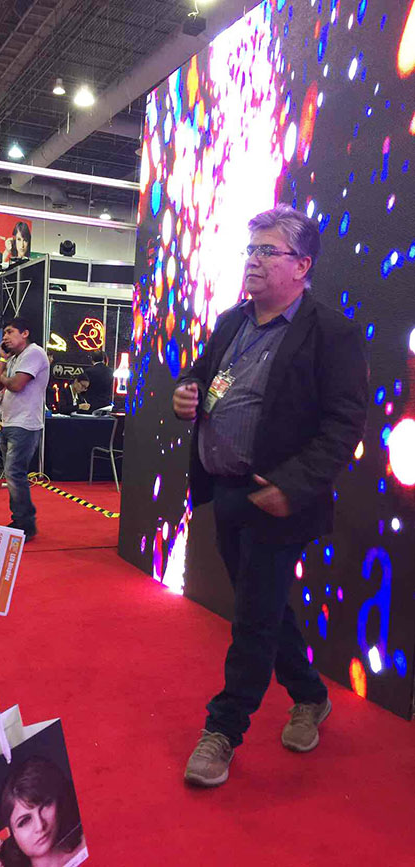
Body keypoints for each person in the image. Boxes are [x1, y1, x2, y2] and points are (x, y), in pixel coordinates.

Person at [173, 204, 368, 788]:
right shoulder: (232, 321)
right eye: (251, 249)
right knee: (265, 607)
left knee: (253, 620)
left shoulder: (330, 332)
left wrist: (293, 485)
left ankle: (223, 730)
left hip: (277, 498)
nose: (253, 261)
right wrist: (187, 392)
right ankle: (310, 695)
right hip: (226, 491)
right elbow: (202, 376)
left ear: (302, 265)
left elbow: (344, 424)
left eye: (268, 251)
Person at [0, 318, 49, 542]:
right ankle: (20, 519)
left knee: (15, 473)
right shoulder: (13, 358)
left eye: (10, 332)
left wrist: (5, 378)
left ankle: (26, 523)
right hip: (9, 422)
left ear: (25, 333)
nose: (5, 336)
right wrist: (3, 361)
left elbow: (16, 385)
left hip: (25, 423)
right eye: (4, 333)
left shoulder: (34, 353)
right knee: (13, 474)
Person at [0, 757, 86, 867]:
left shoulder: (87, 845)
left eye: (45, 805)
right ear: (10, 834)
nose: (40, 826)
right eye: (25, 821)